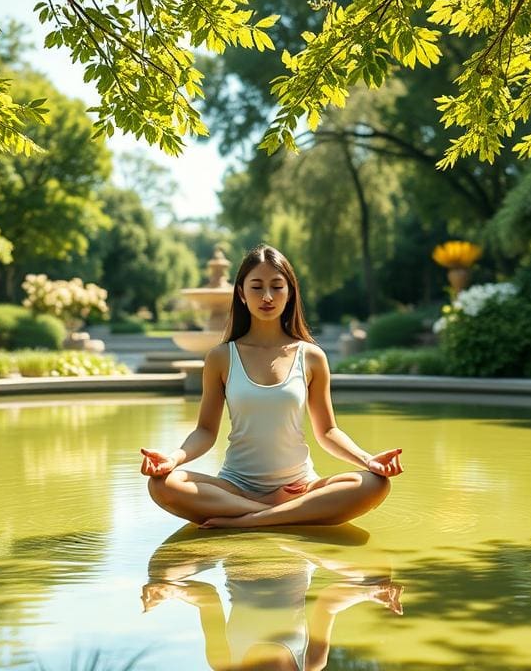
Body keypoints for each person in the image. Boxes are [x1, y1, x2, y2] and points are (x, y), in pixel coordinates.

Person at [140, 244, 403, 528]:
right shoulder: (220, 357)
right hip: (236, 487)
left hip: (299, 486)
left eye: (277, 287)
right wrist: (172, 458)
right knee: (163, 485)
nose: (267, 296)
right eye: (256, 287)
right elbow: (205, 431)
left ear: (289, 293)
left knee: (375, 484)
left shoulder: (311, 356)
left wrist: (368, 460)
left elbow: (327, 431)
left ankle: (249, 521)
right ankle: (278, 513)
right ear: (241, 293)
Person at [141, 525, 403, 671]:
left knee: (161, 573)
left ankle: (245, 517)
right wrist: (368, 592)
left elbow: (208, 599)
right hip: (300, 548)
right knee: (377, 573)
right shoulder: (311, 662)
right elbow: (327, 603)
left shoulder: (224, 663)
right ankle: (282, 516)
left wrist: (172, 590)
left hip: (237, 547)